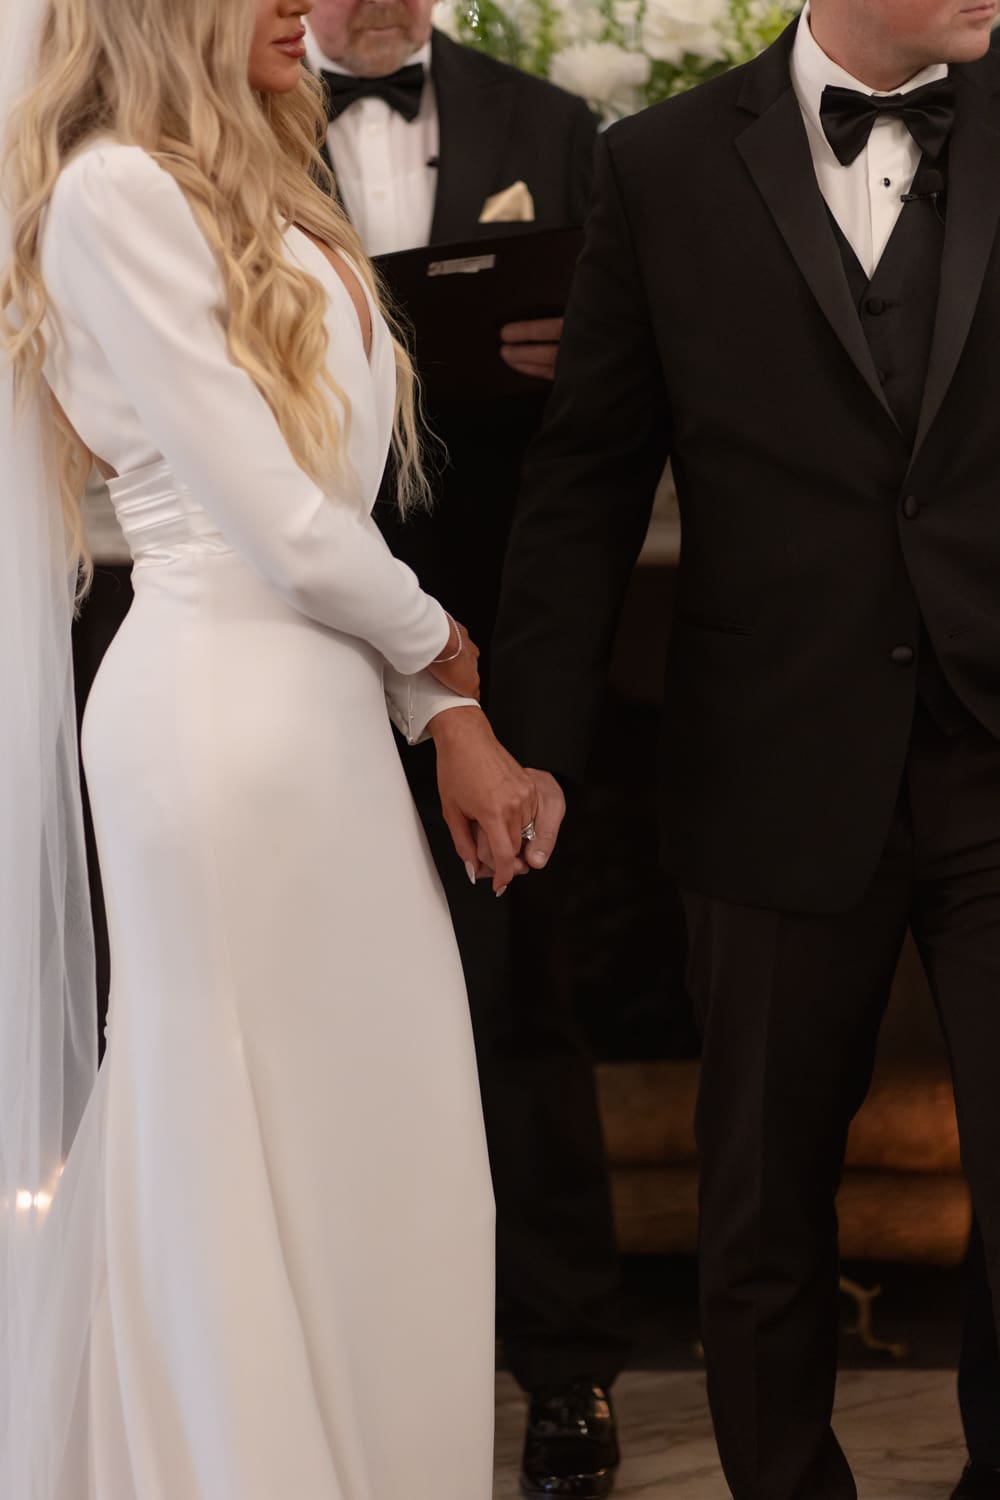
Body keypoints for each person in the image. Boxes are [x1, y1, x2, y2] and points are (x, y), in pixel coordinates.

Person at [436, 0, 1000, 1495]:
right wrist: (525, 744)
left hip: (998, 757)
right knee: (759, 1202)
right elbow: (589, 474)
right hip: (771, 756)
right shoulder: (663, 167)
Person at [0, 0, 541, 1491]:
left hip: (321, 720)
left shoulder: (275, 195)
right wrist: (444, 659)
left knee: (391, 1127)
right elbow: (273, 520)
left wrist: (443, 710)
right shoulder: (110, 192)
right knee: (239, 1131)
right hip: (216, 723)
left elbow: (332, 530)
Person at [305, 4, 627, 1495]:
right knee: (319, 1016)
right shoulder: (204, 134)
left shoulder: (548, 127)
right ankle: (333, 1354)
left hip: (495, 630)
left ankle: (566, 1376)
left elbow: (609, 414)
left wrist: (580, 360)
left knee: (522, 1006)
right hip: (293, 647)